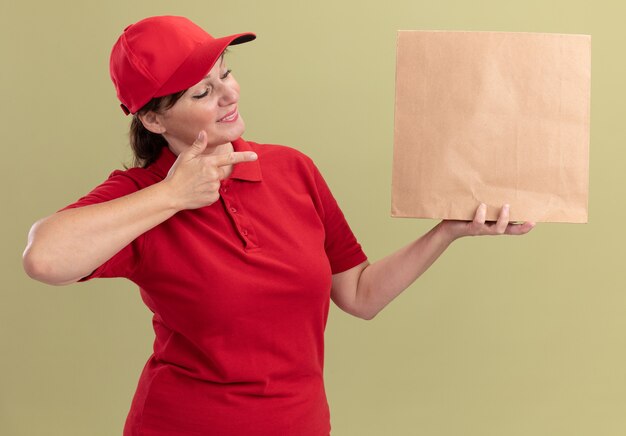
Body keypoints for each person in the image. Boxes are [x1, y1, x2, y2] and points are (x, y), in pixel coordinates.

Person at [22, 15, 534, 436]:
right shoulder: (141, 197)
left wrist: (446, 230)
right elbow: (45, 258)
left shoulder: (293, 169)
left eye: (226, 73)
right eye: (202, 92)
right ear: (154, 120)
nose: (228, 94)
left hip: (302, 425)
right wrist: (172, 195)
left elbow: (359, 294)